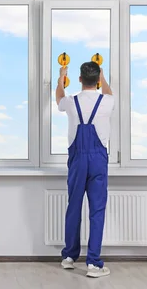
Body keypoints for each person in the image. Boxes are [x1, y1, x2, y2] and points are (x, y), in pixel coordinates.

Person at [56, 61, 114, 278]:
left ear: (79, 79)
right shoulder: (107, 101)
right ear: (97, 80)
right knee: (97, 211)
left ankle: (69, 257)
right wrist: (103, 76)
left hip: (78, 160)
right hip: (98, 161)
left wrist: (61, 78)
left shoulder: (71, 102)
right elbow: (109, 92)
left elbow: (58, 97)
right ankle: (93, 264)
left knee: (74, 206)